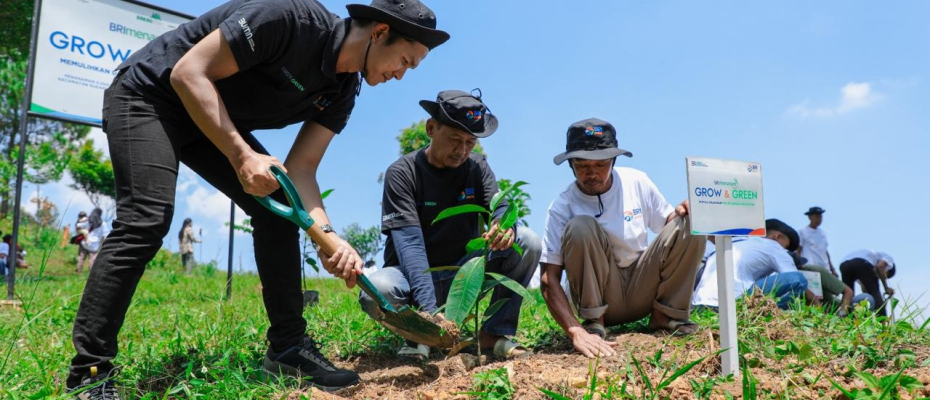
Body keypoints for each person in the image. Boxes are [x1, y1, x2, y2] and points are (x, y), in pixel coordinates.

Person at [66, 0, 450, 396]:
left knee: (278, 211)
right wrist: (240, 153)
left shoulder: (342, 90)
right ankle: (90, 372)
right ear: (380, 33)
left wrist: (329, 239)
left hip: (207, 121)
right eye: (405, 60)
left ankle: (288, 349)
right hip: (150, 95)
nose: (401, 75)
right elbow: (188, 72)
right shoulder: (288, 19)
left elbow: (301, 171)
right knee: (145, 220)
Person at [359, 90, 541, 360]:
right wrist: (430, 313)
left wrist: (503, 224)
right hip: (411, 278)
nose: (462, 150)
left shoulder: (477, 167)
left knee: (526, 241)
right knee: (377, 290)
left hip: (464, 274)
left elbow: (499, 203)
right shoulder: (402, 173)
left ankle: (494, 335)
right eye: (455, 140)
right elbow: (410, 246)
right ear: (431, 128)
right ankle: (418, 335)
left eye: (470, 142)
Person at [539, 118, 706, 359]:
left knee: (691, 221)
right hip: (600, 295)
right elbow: (548, 278)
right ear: (571, 165)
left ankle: (667, 316)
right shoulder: (562, 206)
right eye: (582, 165)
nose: (592, 173)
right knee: (581, 226)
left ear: (613, 161)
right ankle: (594, 323)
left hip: (642, 287)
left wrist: (686, 211)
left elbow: (671, 226)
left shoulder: (636, 181)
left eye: (601, 165)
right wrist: (575, 331)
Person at [692, 219, 816, 310]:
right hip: (731, 304)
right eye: (786, 246)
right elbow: (794, 278)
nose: (786, 250)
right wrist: (816, 303)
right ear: (777, 237)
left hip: (700, 305)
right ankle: (768, 314)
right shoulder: (773, 246)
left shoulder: (736, 242)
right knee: (799, 280)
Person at [839, 249, 896, 318]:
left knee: (848, 294)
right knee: (876, 294)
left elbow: (866, 291)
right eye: (885, 275)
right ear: (888, 269)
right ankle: (883, 322)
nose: (879, 277)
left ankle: (843, 316)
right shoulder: (888, 258)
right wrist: (886, 288)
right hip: (862, 262)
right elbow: (880, 266)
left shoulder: (869, 258)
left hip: (844, 265)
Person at [797, 206, 836, 276]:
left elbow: (825, 252)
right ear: (809, 217)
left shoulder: (823, 233)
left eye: (820, 216)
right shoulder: (803, 232)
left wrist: (832, 269)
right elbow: (798, 250)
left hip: (825, 269)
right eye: (816, 216)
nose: (819, 219)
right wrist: (798, 265)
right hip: (810, 268)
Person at [77, 208, 110, 273]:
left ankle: (78, 271)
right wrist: (103, 246)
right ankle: (90, 273)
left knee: (81, 257)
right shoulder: (103, 224)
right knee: (92, 260)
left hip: (85, 242)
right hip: (94, 246)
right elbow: (104, 236)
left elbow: (78, 226)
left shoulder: (87, 220)